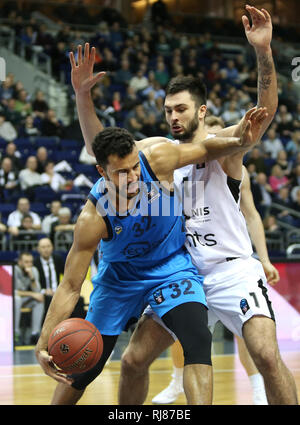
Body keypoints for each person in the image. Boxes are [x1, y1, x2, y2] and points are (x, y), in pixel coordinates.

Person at [70, 6, 297, 405]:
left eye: (181, 109)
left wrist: (263, 51)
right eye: (168, 111)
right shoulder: (160, 154)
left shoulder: (224, 146)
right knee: (134, 360)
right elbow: (99, 148)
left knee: (264, 352)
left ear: (202, 111)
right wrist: (82, 96)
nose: (173, 117)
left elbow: (265, 113)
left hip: (231, 270)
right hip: (183, 274)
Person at [35, 116, 263, 404]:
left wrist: (242, 141)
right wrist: (43, 342)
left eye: (134, 167)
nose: (132, 178)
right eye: (121, 172)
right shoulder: (93, 218)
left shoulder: (157, 159)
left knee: (198, 341)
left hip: (171, 269)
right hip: (120, 280)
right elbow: (70, 285)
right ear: (101, 172)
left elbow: (206, 150)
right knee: (86, 366)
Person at [151, 118, 280, 405]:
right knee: (182, 334)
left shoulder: (236, 169)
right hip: (191, 265)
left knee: (249, 331)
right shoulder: (178, 167)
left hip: (230, 264)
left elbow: (252, 215)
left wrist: (266, 259)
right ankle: (176, 381)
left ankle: (257, 385)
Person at [14, 251, 44, 345]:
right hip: (14, 300)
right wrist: (32, 294)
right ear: (20, 262)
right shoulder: (14, 269)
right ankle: (16, 333)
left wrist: (32, 277)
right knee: (17, 299)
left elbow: (37, 290)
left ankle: (34, 334)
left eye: (31, 262)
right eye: (26, 262)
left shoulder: (33, 270)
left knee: (39, 300)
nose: (29, 264)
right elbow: (13, 291)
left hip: (25, 299)